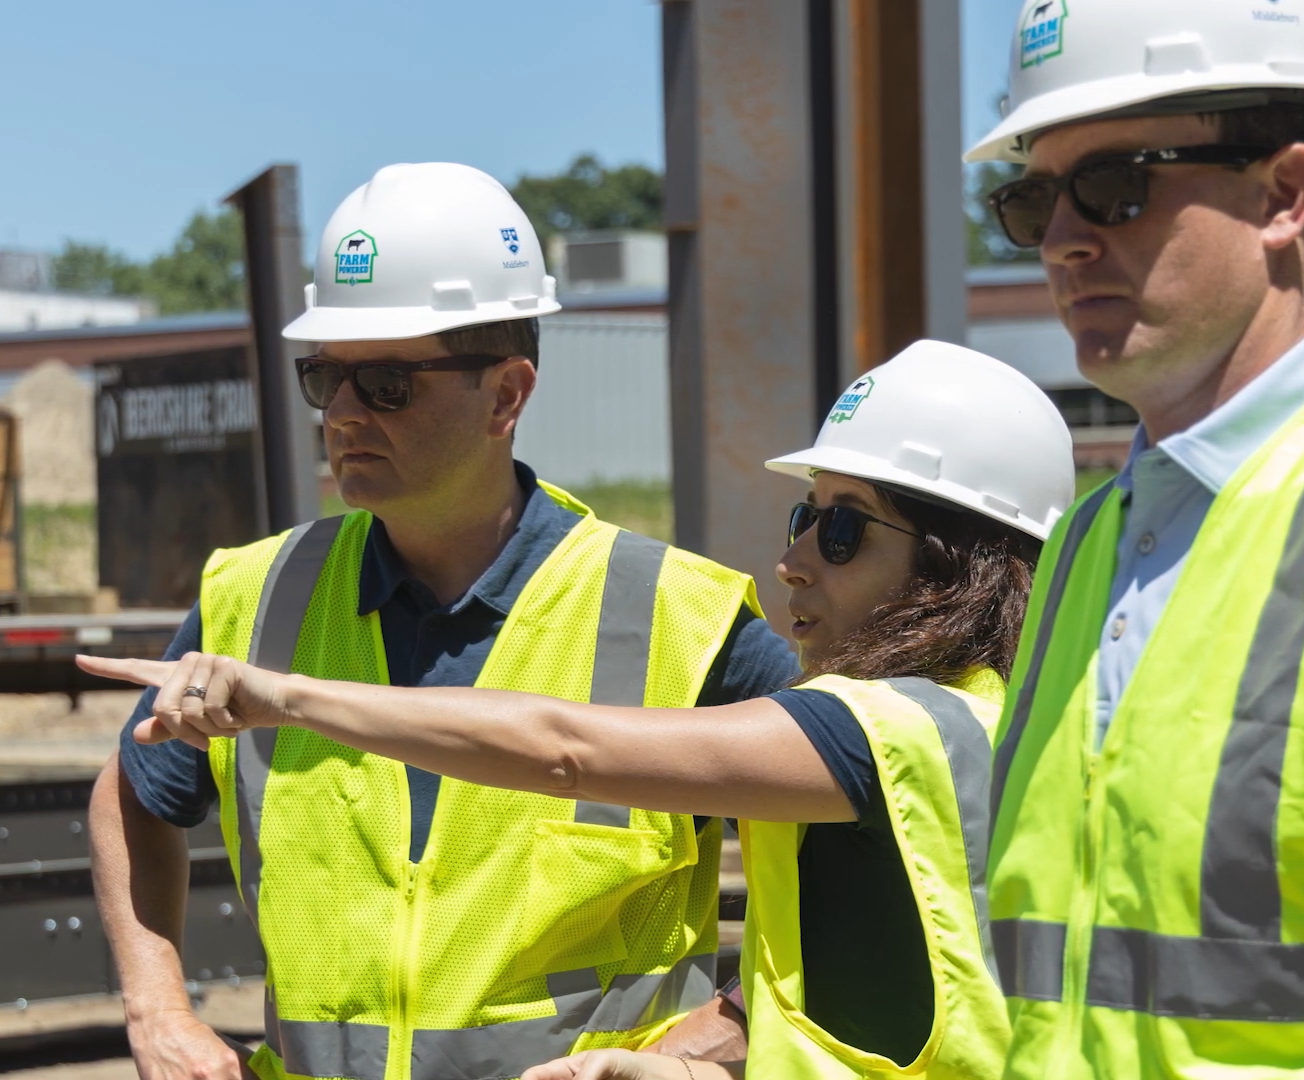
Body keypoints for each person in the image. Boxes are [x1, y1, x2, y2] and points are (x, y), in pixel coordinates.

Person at [85, 340, 1077, 1080]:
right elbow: (836, 983)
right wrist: (696, 1057)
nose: (795, 557)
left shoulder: (883, 732)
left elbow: (562, 747)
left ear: (957, 566)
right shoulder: (997, 718)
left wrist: (285, 696)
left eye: (846, 528)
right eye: (803, 515)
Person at [87, 161, 798, 1080]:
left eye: (385, 382)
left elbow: (867, 843)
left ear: (507, 394)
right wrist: (156, 1010)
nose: (341, 414)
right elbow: (134, 791)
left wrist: (735, 1025)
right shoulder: (257, 596)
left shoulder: (674, 615)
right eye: (324, 378)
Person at [968, 1, 1304, 1074]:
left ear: (1284, 195)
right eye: (1031, 199)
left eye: (1115, 185)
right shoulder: (1086, 545)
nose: (1061, 239)